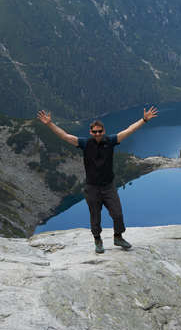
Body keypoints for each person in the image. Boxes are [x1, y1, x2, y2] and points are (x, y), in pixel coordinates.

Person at [37, 106, 159, 254]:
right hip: (92, 188)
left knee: (117, 214)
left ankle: (118, 237)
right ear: (90, 132)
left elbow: (128, 131)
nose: (97, 134)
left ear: (103, 131)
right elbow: (65, 136)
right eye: (94, 132)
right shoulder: (85, 143)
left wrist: (144, 120)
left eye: (99, 131)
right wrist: (49, 124)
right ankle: (97, 240)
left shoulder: (111, 141)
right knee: (95, 216)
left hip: (108, 186)